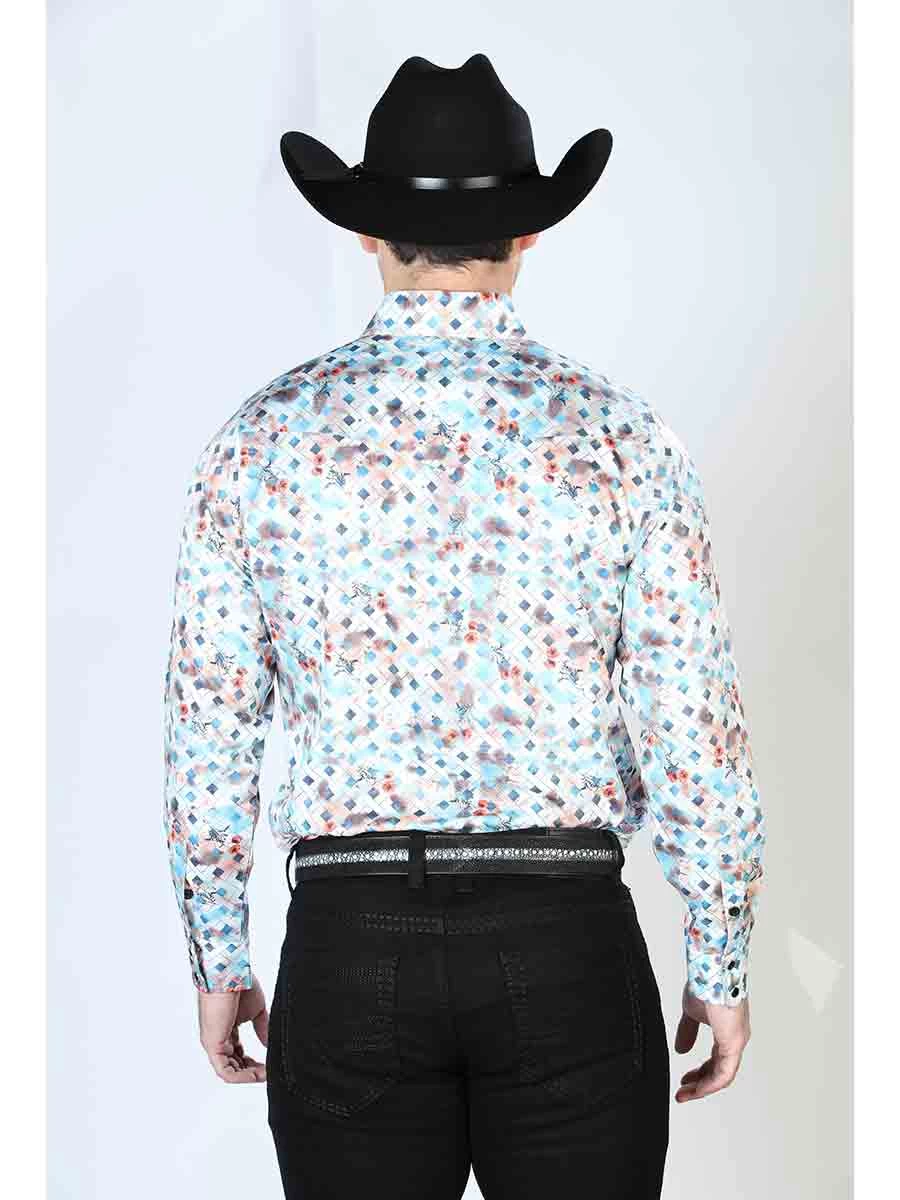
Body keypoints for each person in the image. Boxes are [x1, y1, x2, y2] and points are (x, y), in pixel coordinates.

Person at [162, 53, 766, 1200]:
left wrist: (219, 955)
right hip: (566, 942)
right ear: (528, 232)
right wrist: (721, 957)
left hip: (350, 941)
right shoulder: (620, 437)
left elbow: (211, 727)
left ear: (366, 233)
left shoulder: (263, 440)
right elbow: (695, 724)